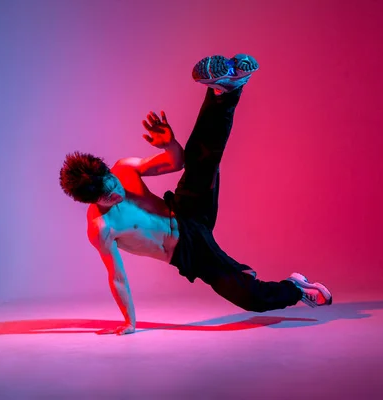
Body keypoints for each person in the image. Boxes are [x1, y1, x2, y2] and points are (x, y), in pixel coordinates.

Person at [59, 54, 332, 335]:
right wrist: (130, 322)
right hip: (188, 250)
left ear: (107, 169)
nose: (117, 192)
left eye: (112, 182)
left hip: (185, 208)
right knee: (251, 297)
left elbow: (177, 162)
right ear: (91, 201)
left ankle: (225, 90)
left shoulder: (124, 169)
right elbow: (116, 277)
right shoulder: (101, 229)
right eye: (108, 196)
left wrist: (170, 144)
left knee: (201, 161)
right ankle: (295, 288)